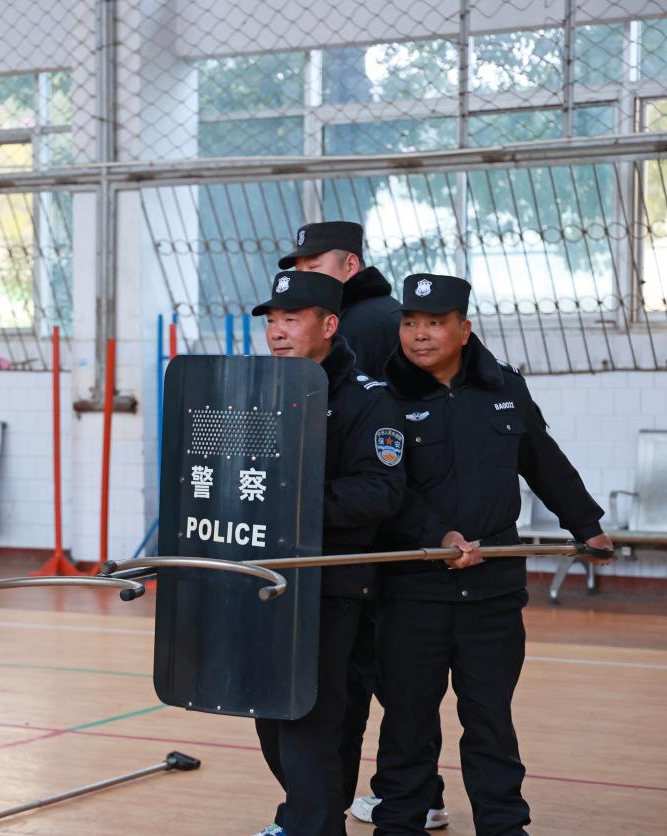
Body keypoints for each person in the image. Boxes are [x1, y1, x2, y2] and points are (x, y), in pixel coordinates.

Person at [371, 273, 614, 835]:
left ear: (464, 329)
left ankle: (504, 825)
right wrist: (438, 537)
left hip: (493, 591)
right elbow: (385, 488)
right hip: (413, 591)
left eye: (435, 323)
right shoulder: (382, 396)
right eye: (410, 323)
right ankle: (399, 823)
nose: (419, 335)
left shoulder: (505, 388)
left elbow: (544, 462)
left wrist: (587, 525)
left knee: (490, 718)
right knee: (408, 722)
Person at [280, 221, 448, 829]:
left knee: (366, 685)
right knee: (374, 682)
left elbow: (380, 440)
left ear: (349, 266)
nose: (303, 274)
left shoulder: (367, 325)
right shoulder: (350, 321)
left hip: (373, 536)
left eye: (313, 264)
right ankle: (407, 796)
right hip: (359, 529)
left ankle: (367, 804)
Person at [249, 270, 407, 836]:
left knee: (312, 717)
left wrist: (292, 504)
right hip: (265, 579)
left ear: (329, 325)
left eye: (291, 320)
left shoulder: (367, 400)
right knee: (271, 716)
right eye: (272, 321)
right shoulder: (258, 392)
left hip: (333, 583)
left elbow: (380, 492)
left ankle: (308, 824)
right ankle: (308, 816)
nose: (277, 332)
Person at [278, 221, 400, 377]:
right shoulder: (381, 309)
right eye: (299, 271)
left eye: (313, 267)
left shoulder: (355, 324)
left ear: (350, 266)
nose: (303, 280)